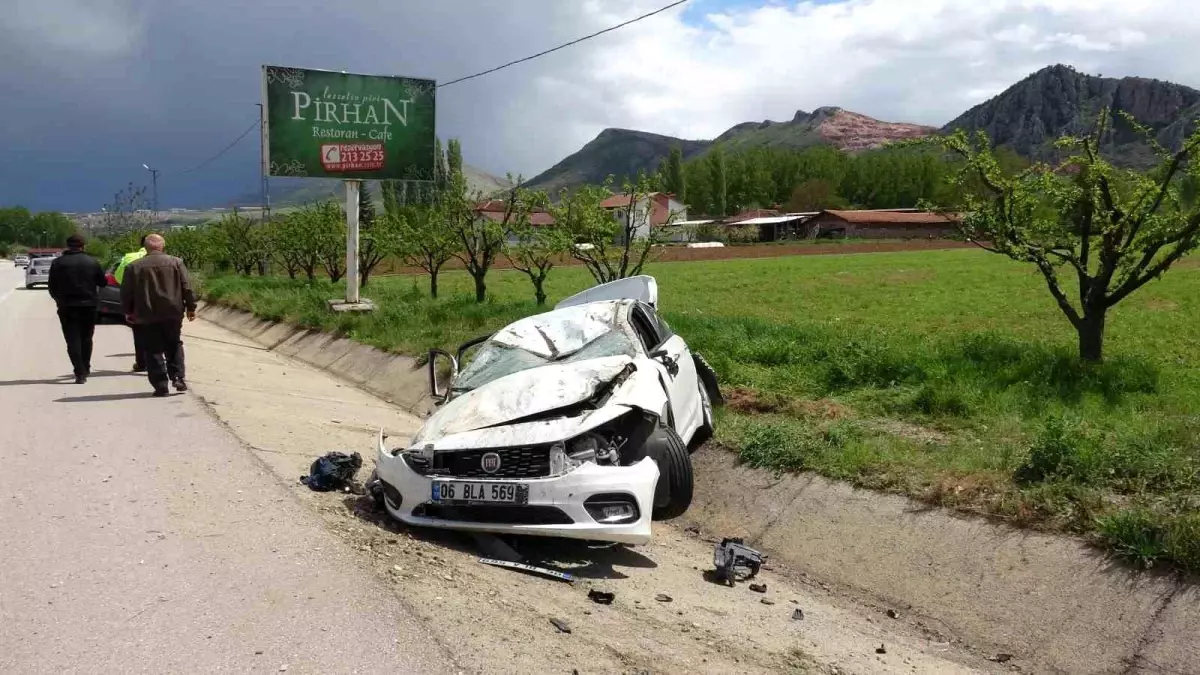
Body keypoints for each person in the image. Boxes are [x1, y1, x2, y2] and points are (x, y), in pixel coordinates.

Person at [120, 234, 197, 397]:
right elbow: (187, 287)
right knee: (174, 343)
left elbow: (126, 293)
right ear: (162, 246)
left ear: (146, 247)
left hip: (146, 313)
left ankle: (161, 385)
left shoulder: (133, 267)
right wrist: (191, 307)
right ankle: (178, 377)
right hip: (173, 312)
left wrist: (128, 311)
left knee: (152, 348)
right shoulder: (176, 262)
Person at [47, 234, 106, 384]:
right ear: (83, 245)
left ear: (68, 245)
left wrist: (58, 300)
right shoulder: (92, 262)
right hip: (89, 305)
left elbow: (52, 286)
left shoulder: (58, 263)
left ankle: (79, 372)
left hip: (67, 306)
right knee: (87, 338)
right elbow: (103, 282)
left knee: (72, 339)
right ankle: (85, 367)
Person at [115, 236, 149, 372]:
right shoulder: (168, 258)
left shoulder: (129, 257)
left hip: (138, 300)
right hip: (163, 300)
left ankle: (141, 363)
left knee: (139, 332)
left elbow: (118, 278)